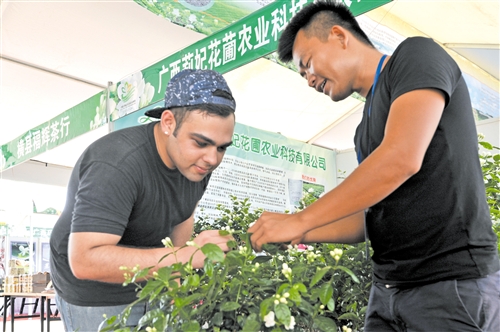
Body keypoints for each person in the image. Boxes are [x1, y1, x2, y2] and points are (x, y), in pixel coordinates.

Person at [248, 1, 500, 331]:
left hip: (449, 286)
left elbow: (400, 158)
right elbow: (369, 217)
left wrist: (299, 220)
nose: (308, 80)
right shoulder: (363, 131)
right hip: (387, 292)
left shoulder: (415, 56)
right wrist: (300, 232)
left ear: (338, 35)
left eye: (307, 64)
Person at [50, 69, 236, 331]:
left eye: (221, 147)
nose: (212, 159)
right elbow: (84, 261)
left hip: (152, 278)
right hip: (95, 292)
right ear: (169, 122)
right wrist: (187, 256)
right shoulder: (116, 162)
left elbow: (183, 215)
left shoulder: (197, 165)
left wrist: (175, 279)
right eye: (201, 143)